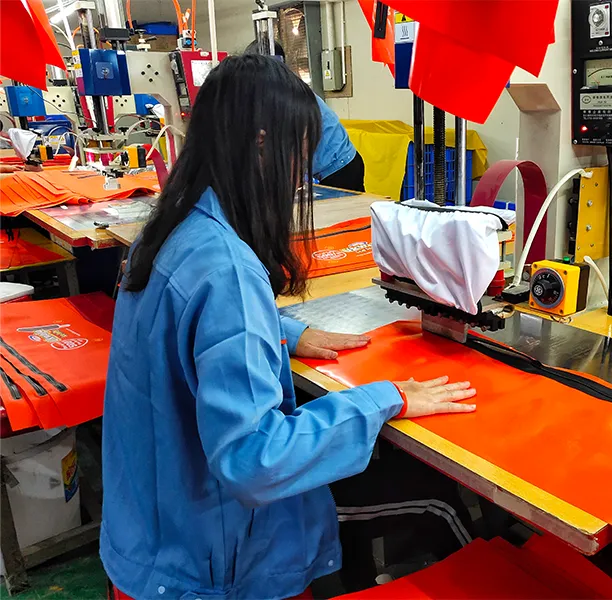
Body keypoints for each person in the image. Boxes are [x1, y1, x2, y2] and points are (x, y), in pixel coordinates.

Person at [100, 54, 476, 600]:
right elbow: (255, 460)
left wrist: (284, 333)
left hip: (146, 533)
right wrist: (384, 398)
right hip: (207, 562)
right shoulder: (228, 273)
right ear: (261, 146)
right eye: (299, 159)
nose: (303, 181)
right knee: (439, 501)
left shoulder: (170, 229)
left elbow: (185, 326)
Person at [244, 40, 366, 192]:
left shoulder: (288, 96)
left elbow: (290, 148)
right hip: (331, 164)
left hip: (340, 166)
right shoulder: (278, 94)